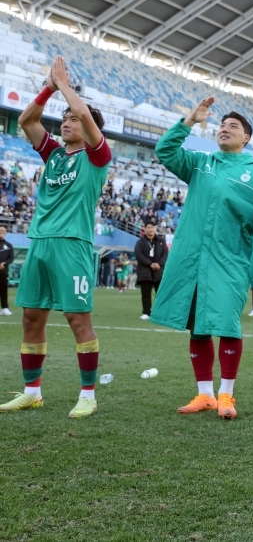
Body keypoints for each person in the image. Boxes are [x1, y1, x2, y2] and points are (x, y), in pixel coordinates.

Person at [150, 98, 253, 420]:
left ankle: (227, 395)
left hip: (230, 262)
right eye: (221, 125)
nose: (224, 129)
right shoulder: (200, 162)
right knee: (199, 327)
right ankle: (205, 394)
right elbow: (165, 151)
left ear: (246, 138)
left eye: (233, 126)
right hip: (192, 260)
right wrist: (190, 120)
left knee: (228, 326)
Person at [0, 56, 111, 419]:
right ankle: (32, 392)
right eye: (64, 117)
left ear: (91, 127)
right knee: (32, 316)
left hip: (72, 244)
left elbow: (87, 117)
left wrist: (66, 86)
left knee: (78, 319)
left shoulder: (97, 155)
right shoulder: (53, 155)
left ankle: (88, 394)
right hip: (41, 242)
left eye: (73, 118)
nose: (66, 121)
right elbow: (26, 120)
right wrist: (49, 87)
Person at [135, 221, 168, 321]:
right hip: (145, 271)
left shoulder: (161, 241)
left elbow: (165, 254)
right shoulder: (140, 242)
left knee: (160, 293)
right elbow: (138, 255)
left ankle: (160, 312)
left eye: (152, 227)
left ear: (155, 228)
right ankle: (146, 312)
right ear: (145, 229)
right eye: (148, 227)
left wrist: (159, 264)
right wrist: (150, 264)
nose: (150, 229)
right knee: (146, 293)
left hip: (159, 271)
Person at [0, 225, 13, 315]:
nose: (2, 232)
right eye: (0, 230)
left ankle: (5, 308)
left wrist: (4, 264)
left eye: (4, 231)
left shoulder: (8, 245)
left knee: (4, 289)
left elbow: (11, 257)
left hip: (3, 271)